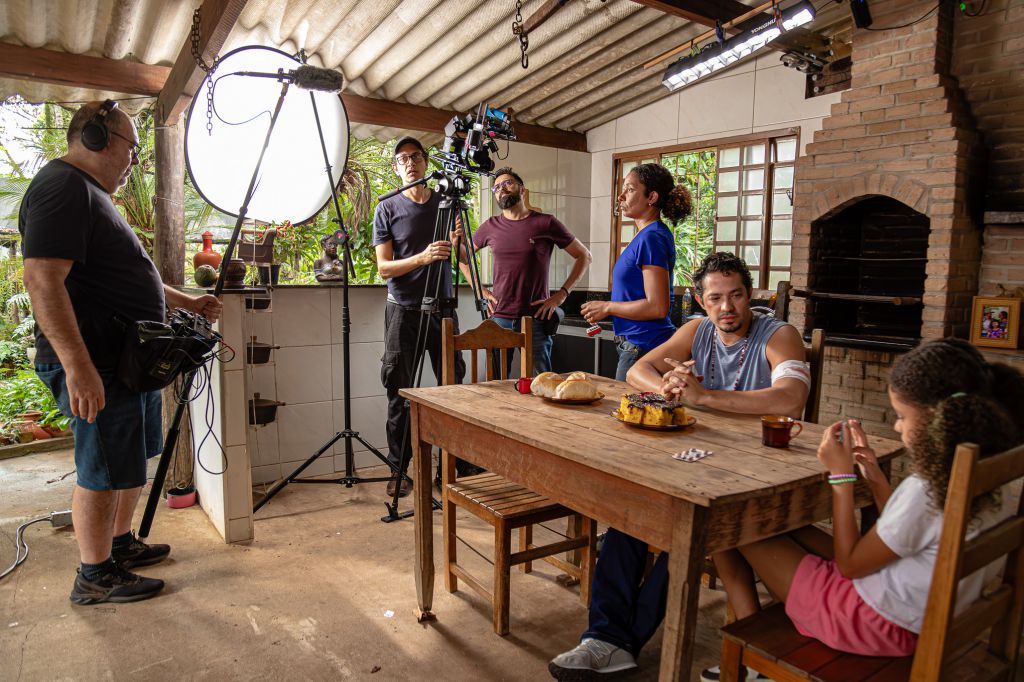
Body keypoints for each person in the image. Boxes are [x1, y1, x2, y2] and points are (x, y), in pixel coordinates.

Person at [549, 252, 809, 680]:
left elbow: (791, 398)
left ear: (750, 295)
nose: (726, 307)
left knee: (680, 532)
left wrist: (704, 397)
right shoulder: (698, 329)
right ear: (701, 301)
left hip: (755, 471)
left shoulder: (778, 334)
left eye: (736, 295)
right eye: (715, 298)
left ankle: (616, 642)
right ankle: (605, 638)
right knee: (630, 512)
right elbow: (638, 370)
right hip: (699, 458)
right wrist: (668, 386)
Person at [709, 338, 1024, 671]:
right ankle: (755, 640)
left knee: (731, 525)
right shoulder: (989, 482)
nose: (897, 426)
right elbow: (908, 533)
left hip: (864, 622)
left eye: (902, 416)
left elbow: (849, 566)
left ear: (937, 418)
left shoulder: (926, 488)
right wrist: (875, 478)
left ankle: (752, 656)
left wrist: (841, 477)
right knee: (784, 526)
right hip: (908, 615)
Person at [19, 100, 223, 606]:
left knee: (128, 457)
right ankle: (94, 574)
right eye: (131, 147)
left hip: (124, 361)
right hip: (97, 361)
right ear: (96, 138)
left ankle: (119, 543)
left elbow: (134, 275)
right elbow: (43, 280)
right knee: (103, 467)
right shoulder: (62, 188)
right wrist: (78, 366)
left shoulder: (90, 193)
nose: (135, 159)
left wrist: (186, 301)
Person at [373, 136, 466, 498]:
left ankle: (450, 470)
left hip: (443, 309)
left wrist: (457, 243)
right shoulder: (387, 208)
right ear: (396, 168)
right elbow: (384, 268)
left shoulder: (445, 203)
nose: (410, 163)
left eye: (415, 157)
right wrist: (423, 257)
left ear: (426, 162)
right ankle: (400, 471)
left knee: (453, 391)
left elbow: (460, 255)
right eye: (402, 159)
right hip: (404, 310)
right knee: (399, 394)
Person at [465, 167, 591, 374]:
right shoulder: (490, 226)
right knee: (495, 384)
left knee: (544, 381)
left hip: (536, 320)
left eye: (508, 183)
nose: (501, 189)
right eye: (496, 187)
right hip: (499, 317)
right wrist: (480, 291)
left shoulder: (546, 223)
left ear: (522, 190)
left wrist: (560, 295)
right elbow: (463, 258)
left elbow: (584, 256)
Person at [581, 162, 692, 381]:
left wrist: (607, 306)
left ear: (652, 197)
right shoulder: (646, 235)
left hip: (644, 346)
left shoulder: (652, 237)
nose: (621, 196)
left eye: (630, 189)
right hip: (636, 345)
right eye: (623, 189)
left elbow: (657, 306)